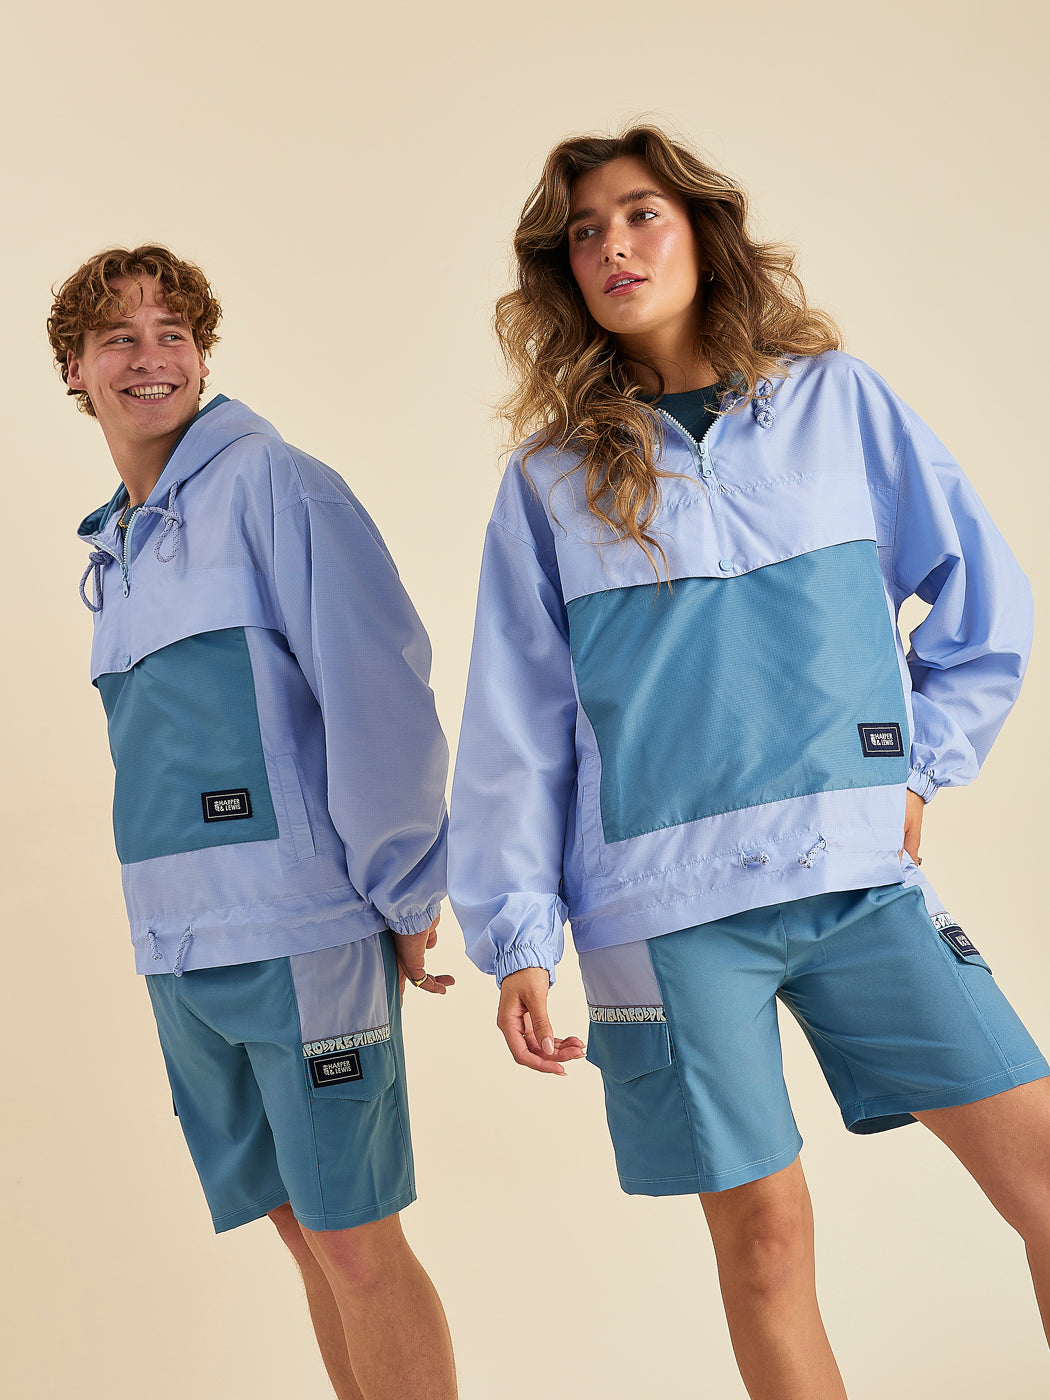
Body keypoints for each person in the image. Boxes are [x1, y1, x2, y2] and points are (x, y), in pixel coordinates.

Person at [448, 126, 1050, 1398]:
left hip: (856, 880)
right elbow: (516, 723)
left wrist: (922, 769)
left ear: (702, 232)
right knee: (765, 1245)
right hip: (664, 913)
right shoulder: (550, 480)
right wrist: (516, 935)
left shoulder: (839, 402)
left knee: (1043, 1174)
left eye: (640, 214)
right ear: (565, 274)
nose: (613, 246)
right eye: (585, 232)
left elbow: (983, 599)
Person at [48, 246, 458, 1400]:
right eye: (120, 337)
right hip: (180, 951)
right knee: (302, 1232)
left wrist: (406, 890)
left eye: (173, 332)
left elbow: (379, 688)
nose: (152, 357)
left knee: (355, 1240)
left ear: (203, 354)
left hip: (302, 935)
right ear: (74, 370)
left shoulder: (276, 484)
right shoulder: (116, 547)